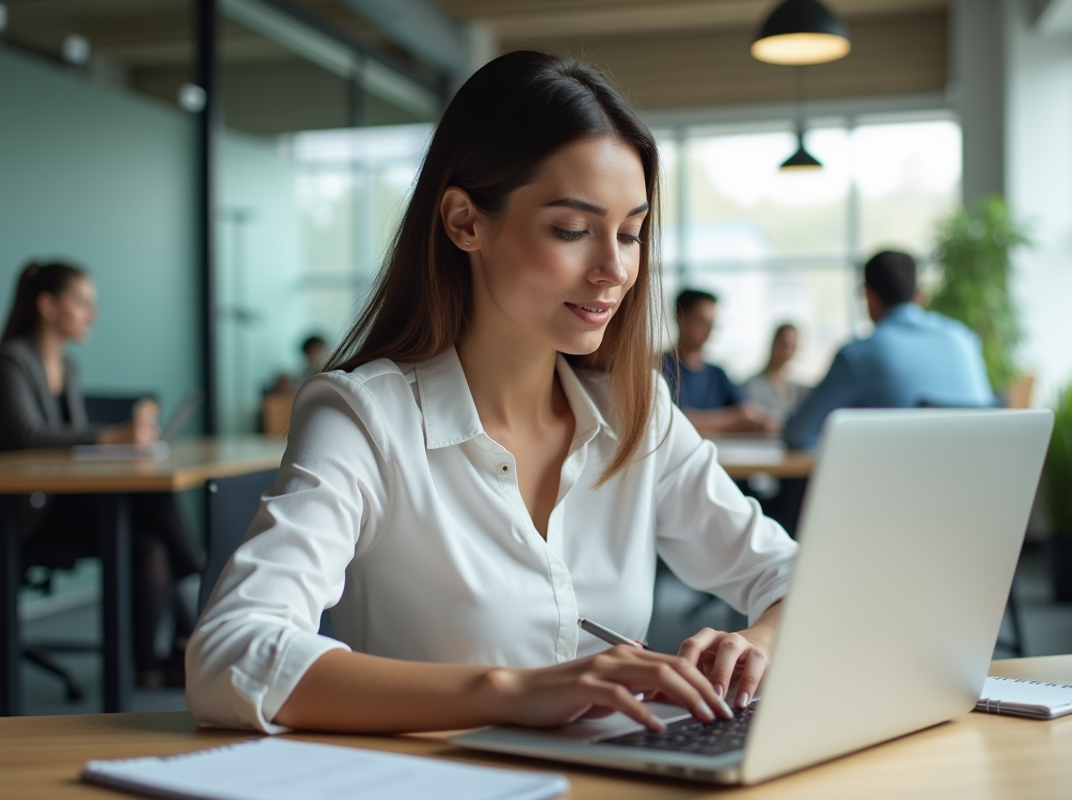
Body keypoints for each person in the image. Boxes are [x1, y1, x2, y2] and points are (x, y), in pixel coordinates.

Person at [187, 51, 798, 735]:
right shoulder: (366, 418)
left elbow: (798, 575)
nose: (615, 269)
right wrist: (511, 691)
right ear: (464, 222)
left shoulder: (636, 412)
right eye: (572, 230)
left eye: (630, 233)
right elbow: (230, 653)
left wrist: (758, 645)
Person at [0, 260, 204, 687]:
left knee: (148, 545)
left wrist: (124, 443)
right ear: (47, 305)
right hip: (25, 512)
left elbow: (75, 446)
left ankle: (150, 664)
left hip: (61, 503)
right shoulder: (12, 360)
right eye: (83, 303)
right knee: (150, 500)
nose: (93, 314)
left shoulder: (68, 368)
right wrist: (113, 436)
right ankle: (200, 582)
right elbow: (29, 434)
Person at [783, 250, 994, 450]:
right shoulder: (964, 339)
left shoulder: (858, 355)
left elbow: (797, 435)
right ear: (918, 295)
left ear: (868, 295)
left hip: (900, 485)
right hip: (982, 483)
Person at [661, 289, 773, 436]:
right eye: (702, 322)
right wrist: (735, 420)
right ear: (680, 318)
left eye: (712, 324)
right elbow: (673, 420)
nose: (708, 331)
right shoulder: (659, 368)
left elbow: (747, 411)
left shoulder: (717, 374)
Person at [741, 323, 809, 424]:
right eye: (784, 345)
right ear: (774, 344)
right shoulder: (751, 386)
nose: (787, 352)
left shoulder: (796, 390)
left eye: (793, 347)